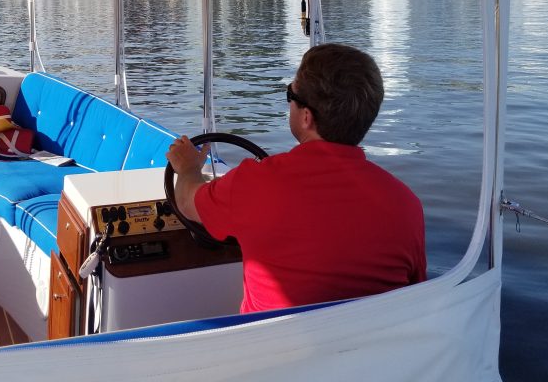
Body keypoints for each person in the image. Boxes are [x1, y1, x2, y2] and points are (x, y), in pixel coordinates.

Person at [166, 43, 426, 314]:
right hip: (369, 353)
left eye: (291, 94)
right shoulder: (407, 205)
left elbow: (186, 202)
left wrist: (187, 169)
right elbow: (415, 292)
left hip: (275, 352)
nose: (289, 100)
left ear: (306, 117)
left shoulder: (255, 184)